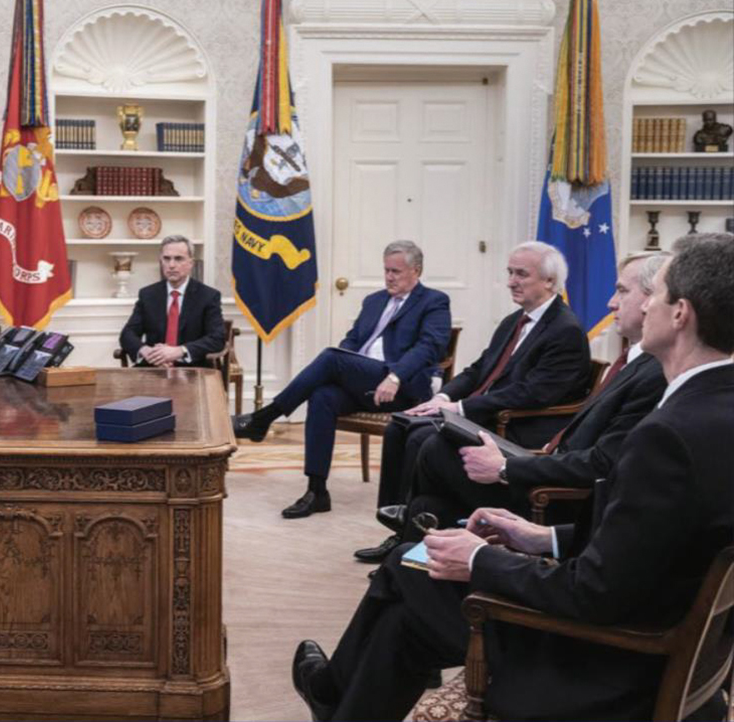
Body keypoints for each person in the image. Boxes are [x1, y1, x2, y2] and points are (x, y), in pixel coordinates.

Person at [290, 233, 734, 721]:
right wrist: (543, 538)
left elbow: (593, 592)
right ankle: (334, 701)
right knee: (410, 589)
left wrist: (481, 560)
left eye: (656, 294)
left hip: (610, 661)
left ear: (680, 314)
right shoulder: (712, 408)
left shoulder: (670, 435)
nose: (638, 306)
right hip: (654, 627)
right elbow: (651, 541)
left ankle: (332, 693)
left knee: (411, 569)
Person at [355, 241, 592, 562]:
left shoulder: (565, 329)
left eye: (521, 274)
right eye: (509, 272)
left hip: (517, 427)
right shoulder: (515, 320)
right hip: (488, 414)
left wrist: (460, 409)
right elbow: (480, 369)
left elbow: (533, 394)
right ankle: (399, 522)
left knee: (425, 437)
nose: (511, 281)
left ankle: (413, 527)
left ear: (550, 281)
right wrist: (444, 396)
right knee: (402, 424)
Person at [404, 252, 670, 533]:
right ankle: (419, 534)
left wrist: (507, 468)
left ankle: (430, 539)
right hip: (550, 462)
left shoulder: (653, 372)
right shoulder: (635, 361)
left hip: (557, 494)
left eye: (622, 291)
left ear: (653, 300)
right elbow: (481, 368)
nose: (611, 303)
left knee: (435, 448)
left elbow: (602, 461)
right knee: (426, 499)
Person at [232, 240, 451, 519]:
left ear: (416, 271)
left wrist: (395, 376)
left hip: (402, 386)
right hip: (367, 382)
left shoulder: (434, 302)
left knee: (331, 358)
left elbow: (430, 347)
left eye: (396, 271)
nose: (389, 277)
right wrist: (344, 366)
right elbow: (353, 340)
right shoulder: (374, 301)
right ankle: (317, 491)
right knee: (323, 395)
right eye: (386, 270)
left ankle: (264, 417)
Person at [119, 235, 224, 369]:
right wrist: (147, 352)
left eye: (178, 259)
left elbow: (217, 339)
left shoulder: (208, 296)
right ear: (161, 261)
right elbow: (127, 334)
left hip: (192, 369)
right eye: (166, 259)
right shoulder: (148, 295)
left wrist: (179, 351)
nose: (171, 265)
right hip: (154, 367)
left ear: (191, 263)